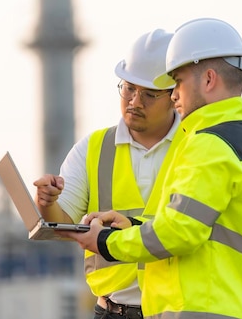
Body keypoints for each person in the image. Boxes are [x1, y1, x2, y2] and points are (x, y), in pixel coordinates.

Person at [59, 17, 242, 319]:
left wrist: (106, 242)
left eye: (179, 82)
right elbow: (200, 227)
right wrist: (133, 227)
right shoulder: (241, 140)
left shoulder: (208, 143)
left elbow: (180, 232)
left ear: (209, 79)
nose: (174, 94)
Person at [33, 28, 182, 319]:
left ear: (174, 95)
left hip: (176, 310)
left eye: (149, 94)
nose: (135, 102)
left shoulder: (196, 146)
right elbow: (62, 227)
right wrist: (45, 202)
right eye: (128, 88)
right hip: (112, 311)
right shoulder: (93, 149)